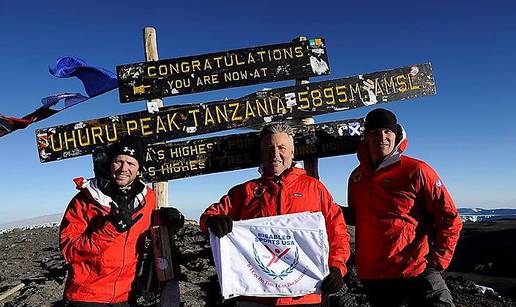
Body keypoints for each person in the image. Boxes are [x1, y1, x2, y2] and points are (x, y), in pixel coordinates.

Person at [200, 122, 350, 306]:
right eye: (268, 148)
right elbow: (210, 215)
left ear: (292, 152)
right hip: (256, 297)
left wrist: (337, 268)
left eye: (282, 148)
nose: (275, 154)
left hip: (305, 296)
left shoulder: (315, 188)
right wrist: (212, 221)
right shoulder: (245, 191)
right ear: (261, 153)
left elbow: (337, 232)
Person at [345, 108, 463, 307]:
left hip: (416, 272)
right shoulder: (357, 178)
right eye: (374, 132)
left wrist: (437, 263)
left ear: (396, 134)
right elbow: (357, 217)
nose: (381, 137)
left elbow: (449, 217)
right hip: (375, 279)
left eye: (387, 131)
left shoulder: (416, 170)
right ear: (366, 137)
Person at [59, 135, 184, 307]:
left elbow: (151, 230)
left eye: (131, 163)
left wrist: (172, 223)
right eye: (119, 161)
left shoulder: (148, 199)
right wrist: (110, 230)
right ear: (110, 163)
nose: (123, 168)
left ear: (139, 169)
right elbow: (69, 250)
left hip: (126, 296)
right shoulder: (84, 200)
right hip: (86, 297)